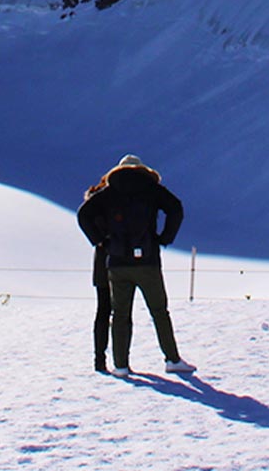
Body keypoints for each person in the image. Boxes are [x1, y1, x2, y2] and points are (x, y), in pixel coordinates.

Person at [76, 154, 195, 375]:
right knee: (159, 311)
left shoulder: (109, 192)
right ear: (142, 170)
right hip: (148, 260)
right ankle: (172, 359)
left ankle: (120, 365)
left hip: (118, 262)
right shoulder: (151, 188)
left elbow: (84, 215)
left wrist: (101, 240)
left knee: (120, 315)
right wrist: (164, 238)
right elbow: (175, 208)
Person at [82, 182, 114, 373]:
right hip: (117, 259)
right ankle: (118, 360)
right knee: (118, 311)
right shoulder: (113, 198)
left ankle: (99, 358)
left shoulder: (96, 200)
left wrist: (98, 240)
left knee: (103, 309)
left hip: (102, 261)